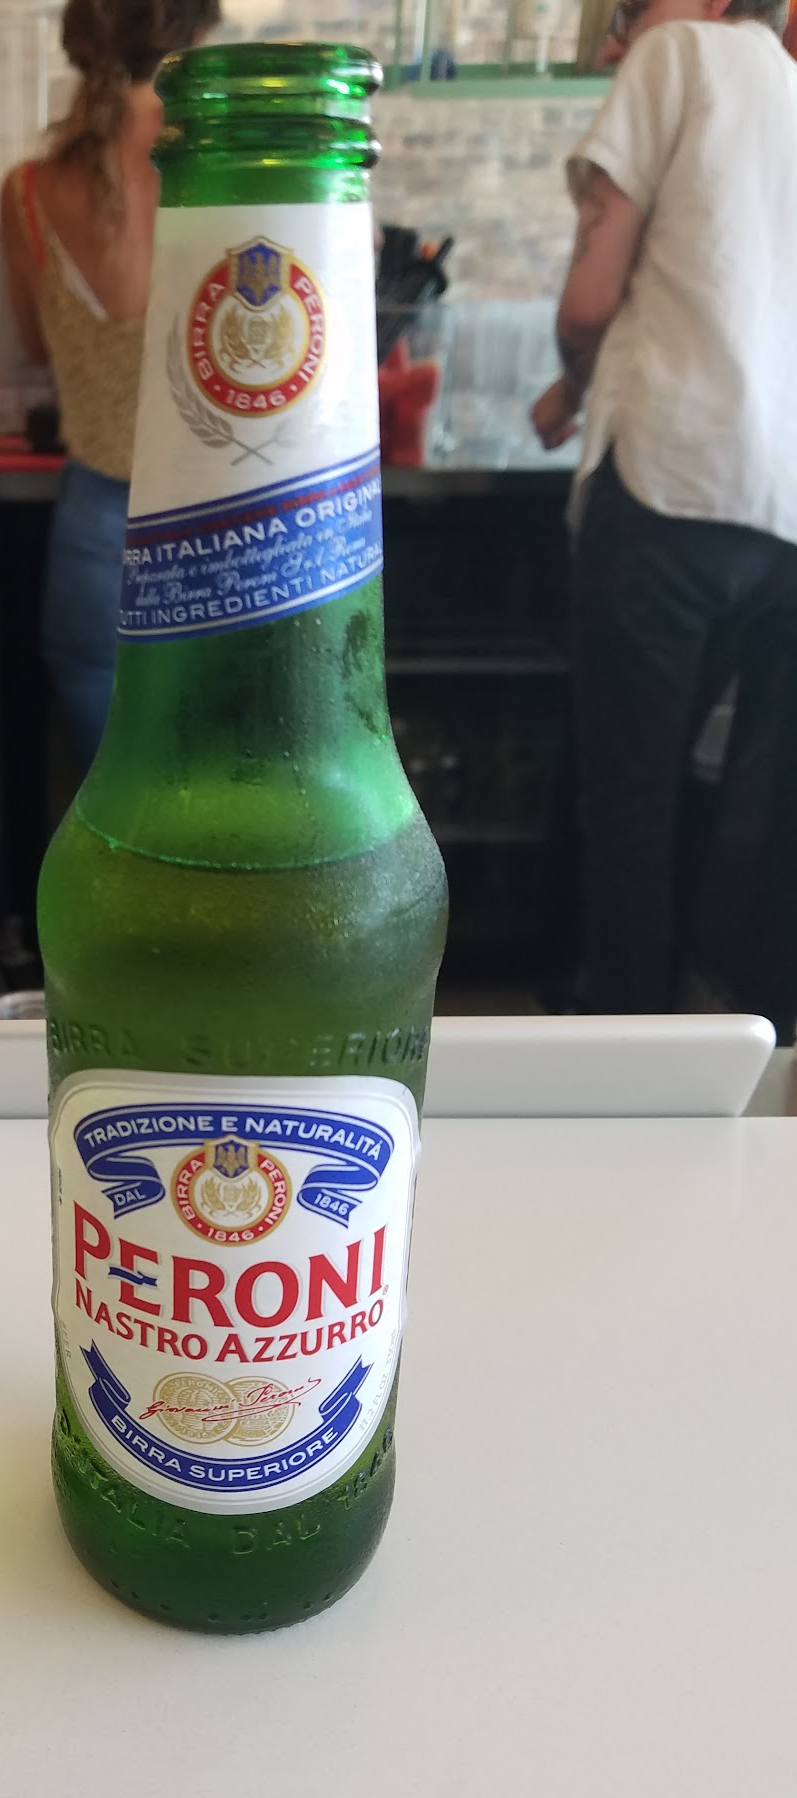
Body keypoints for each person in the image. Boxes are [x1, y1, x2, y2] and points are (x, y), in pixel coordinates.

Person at [531, 0, 797, 1029]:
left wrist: (572, 378)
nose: (614, 40)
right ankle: (726, 1050)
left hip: (667, 483)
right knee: (749, 817)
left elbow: (588, 302)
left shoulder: (677, 56)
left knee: (629, 803)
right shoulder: (788, 84)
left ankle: (629, 1056)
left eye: (627, 11)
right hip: (779, 509)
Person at [1, 0, 220, 773]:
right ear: (192, 40)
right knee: (217, 803)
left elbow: (35, 344)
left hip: (96, 535)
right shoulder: (223, 173)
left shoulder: (27, 193)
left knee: (117, 806)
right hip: (219, 531)